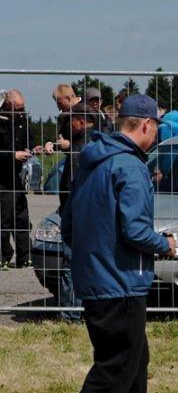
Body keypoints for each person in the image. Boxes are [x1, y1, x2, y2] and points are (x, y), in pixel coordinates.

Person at [49, 94, 178, 393]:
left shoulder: (91, 163)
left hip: (97, 278)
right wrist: (165, 246)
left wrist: (93, 256)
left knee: (134, 360)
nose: (157, 136)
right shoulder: (131, 168)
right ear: (144, 126)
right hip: (121, 282)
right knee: (115, 366)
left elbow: (68, 223)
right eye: (157, 127)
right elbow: (136, 230)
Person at [55, 103, 99, 322]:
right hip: (95, 216)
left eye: (70, 121)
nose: (67, 126)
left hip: (78, 215)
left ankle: (71, 315)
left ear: (81, 121)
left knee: (71, 265)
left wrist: (68, 215)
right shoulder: (101, 144)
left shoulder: (78, 151)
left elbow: (74, 188)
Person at [0, 90, 34, 270]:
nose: (22, 112)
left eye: (23, 108)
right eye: (18, 109)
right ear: (7, 106)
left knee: (22, 215)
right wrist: (13, 155)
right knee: (3, 217)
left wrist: (33, 148)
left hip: (16, 175)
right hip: (2, 177)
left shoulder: (22, 120)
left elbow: (29, 139)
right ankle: (3, 256)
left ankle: (25, 256)